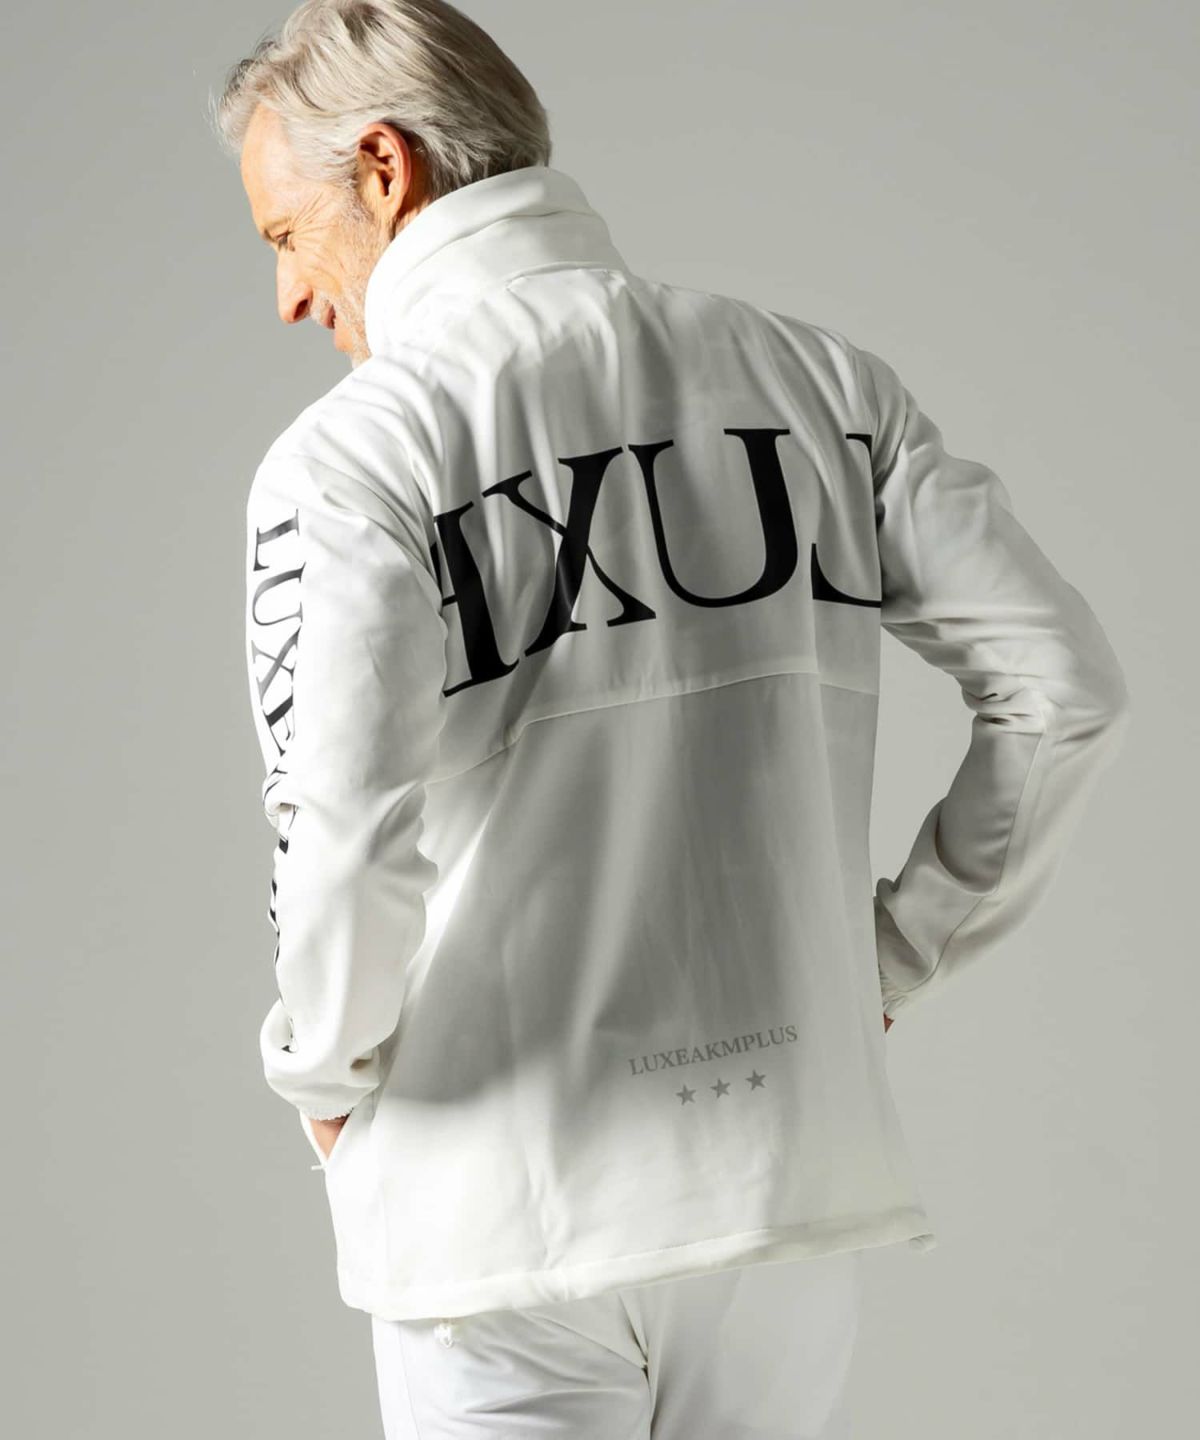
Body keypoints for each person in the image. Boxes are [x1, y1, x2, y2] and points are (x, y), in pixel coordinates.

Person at [212, 3, 1131, 1436]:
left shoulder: (355, 456)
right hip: (780, 1193)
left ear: (383, 169)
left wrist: (319, 1070)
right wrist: (890, 956)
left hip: (498, 1214)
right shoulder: (821, 384)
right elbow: (1065, 688)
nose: (288, 297)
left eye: (285, 234)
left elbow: (340, 825)